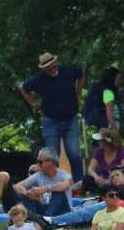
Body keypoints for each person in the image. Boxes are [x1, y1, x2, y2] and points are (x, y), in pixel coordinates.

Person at [20, 52, 85, 184]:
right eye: (48, 66)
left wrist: (79, 92)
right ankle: (55, 185)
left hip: (70, 119)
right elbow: (23, 88)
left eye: (53, 64)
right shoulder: (39, 79)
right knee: (52, 156)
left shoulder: (67, 71)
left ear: (56, 62)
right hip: (50, 121)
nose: (52, 68)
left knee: (73, 152)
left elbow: (81, 74)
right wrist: (33, 103)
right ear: (44, 68)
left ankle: (80, 185)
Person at [14, 147, 73, 218]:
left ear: (51, 161)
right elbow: (17, 186)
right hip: (44, 209)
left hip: (63, 210)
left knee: (59, 192)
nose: (38, 164)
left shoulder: (64, 175)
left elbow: (65, 185)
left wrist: (43, 189)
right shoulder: (38, 175)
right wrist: (27, 194)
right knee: (23, 195)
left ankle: (45, 218)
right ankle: (36, 217)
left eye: (40, 162)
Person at [84, 128, 124, 195]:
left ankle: (106, 194)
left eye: (100, 140)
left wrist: (109, 180)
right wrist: (96, 176)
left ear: (106, 142)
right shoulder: (98, 151)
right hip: (101, 181)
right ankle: (97, 195)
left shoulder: (120, 151)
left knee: (118, 184)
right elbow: (90, 169)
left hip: (116, 181)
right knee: (87, 179)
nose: (98, 142)